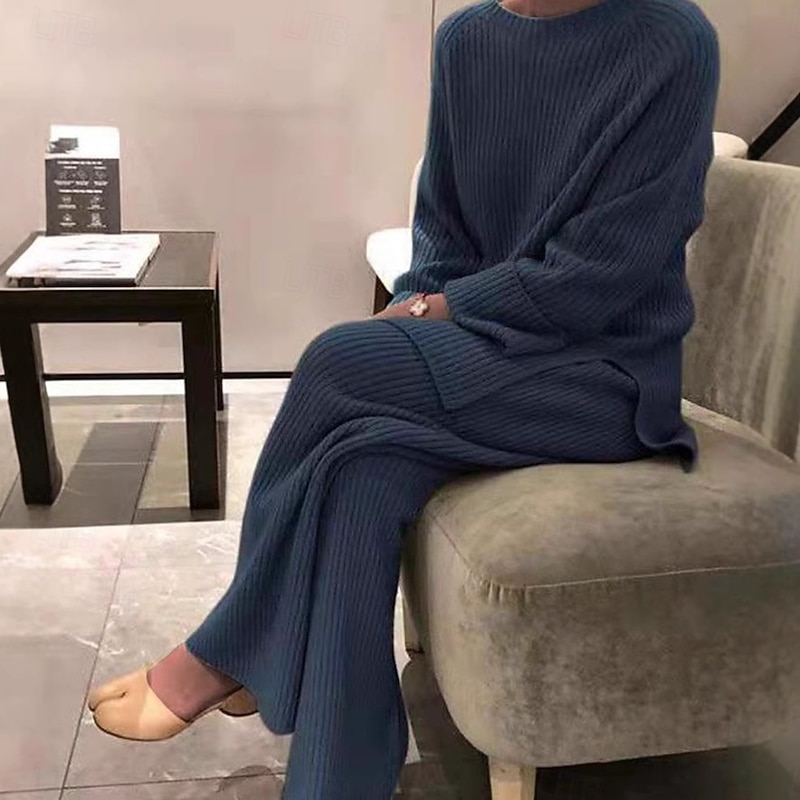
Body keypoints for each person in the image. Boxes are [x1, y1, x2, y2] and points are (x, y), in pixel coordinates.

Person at [87, 0, 720, 796]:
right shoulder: (466, 41)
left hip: (604, 376)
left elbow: (602, 274)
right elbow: (443, 233)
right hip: (494, 353)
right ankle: (339, 777)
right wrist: (421, 303)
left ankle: (228, 649)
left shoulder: (671, 41)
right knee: (360, 468)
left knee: (337, 359)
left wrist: (432, 313)